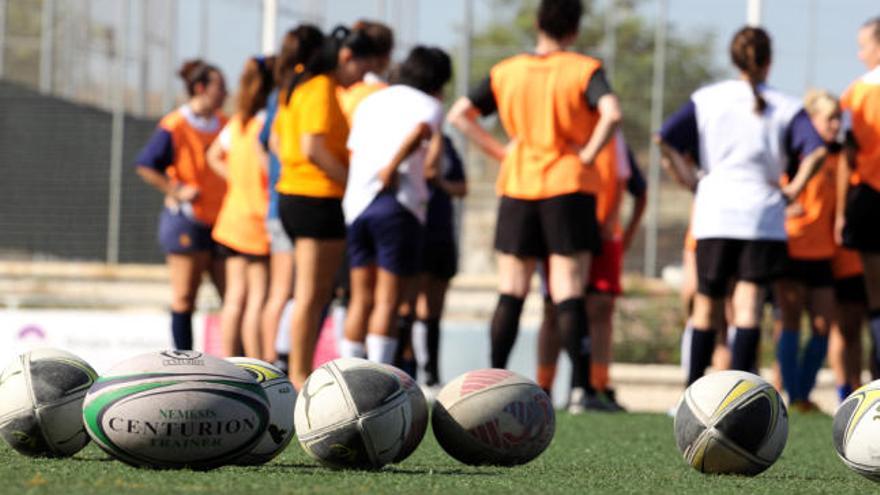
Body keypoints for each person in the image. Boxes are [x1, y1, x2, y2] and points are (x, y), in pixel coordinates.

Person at [448, 0, 622, 408]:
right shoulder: (583, 69)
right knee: (567, 289)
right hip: (568, 185)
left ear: (537, 24)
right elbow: (611, 113)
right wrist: (588, 154)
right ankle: (581, 390)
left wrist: (501, 152)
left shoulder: (506, 71)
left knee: (511, 289)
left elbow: (459, 114)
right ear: (574, 30)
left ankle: (491, 381)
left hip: (519, 184)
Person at [658, 26, 827, 385]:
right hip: (761, 216)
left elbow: (665, 138)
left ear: (734, 59)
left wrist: (688, 177)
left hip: (715, 212)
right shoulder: (787, 105)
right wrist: (793, 189)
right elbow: (817, 150)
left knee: (707, 306)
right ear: (769, 61)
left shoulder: (707, 99)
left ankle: (693, 392)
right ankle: (737, 392)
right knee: (748, 307)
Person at [273, 25, 375, 388]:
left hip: (296, 194)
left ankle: (297, 371)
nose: (362, 77)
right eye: (362, 67)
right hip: (315, 197)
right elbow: (312, 147)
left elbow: (275, 139)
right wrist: (351, 183)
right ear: (346, 57)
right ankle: (298, 377)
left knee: (313, 294)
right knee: (311, 295)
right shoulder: (319, 86)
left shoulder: (297, 83)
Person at [341, 46, 451, 365]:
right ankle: (376, 377)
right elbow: (420, 132)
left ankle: (347, 371)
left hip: (357, 204)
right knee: (388, 300)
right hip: (397, 205)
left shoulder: (370, 100)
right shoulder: (430, 105)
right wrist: (393, 166)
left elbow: (354, 149)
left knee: (360, 297)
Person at [536, 136, 646, 412]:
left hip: (605, 236)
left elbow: (638, 190)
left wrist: (626, 232)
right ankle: (544, 387)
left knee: (600, 307)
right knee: (553, 308)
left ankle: (595, 386)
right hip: (562, 229)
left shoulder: (614, 141)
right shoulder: (557, 138)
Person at [135, 59, 228, 350]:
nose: (225, 92)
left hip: (224, 222)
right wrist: (175, 189)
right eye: (220, 86)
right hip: (188, 220)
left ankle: (238, 363)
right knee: (185, 297)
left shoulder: (225, 124)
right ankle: (184, 361)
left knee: (233, 297)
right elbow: (146, 165)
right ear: (201, 88)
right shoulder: (176, 124)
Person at [774, 89, 842, 411]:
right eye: (830, 118)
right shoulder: (793, 152)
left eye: (838, 118)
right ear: (812, 119)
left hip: (823, 252)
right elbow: (769, 183)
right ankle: (794, 395)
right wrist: (782, 208)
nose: (835, 125)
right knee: (788, 322)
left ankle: (802, 390)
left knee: (822, 325)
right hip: (792, 247)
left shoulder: (838, 156)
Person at [207, 56, 275, 358]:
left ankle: (229, 359)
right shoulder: (266, 124)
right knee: (257, 300)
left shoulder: (237, 122)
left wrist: (235, 179)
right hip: (257, 221)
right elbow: (270, 169)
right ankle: (258, 365)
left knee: (234, 300)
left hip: (230, 219)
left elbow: (213, 156)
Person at [396, 134, 468, 386]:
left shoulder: (446, 142)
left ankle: (432, 375)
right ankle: (405, 371)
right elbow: (427, 171)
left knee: (435, 306)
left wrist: (443, 184)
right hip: (414, 229)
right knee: (409, 304)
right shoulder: (406, 139)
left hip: (441, 231)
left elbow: (461, 186)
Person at [838, 17, 880, 380]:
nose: (860, 52)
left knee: (875, 296)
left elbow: (845, 154)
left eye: (864, 45)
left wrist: (840, 212)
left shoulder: (857, 92)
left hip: (869, 197)